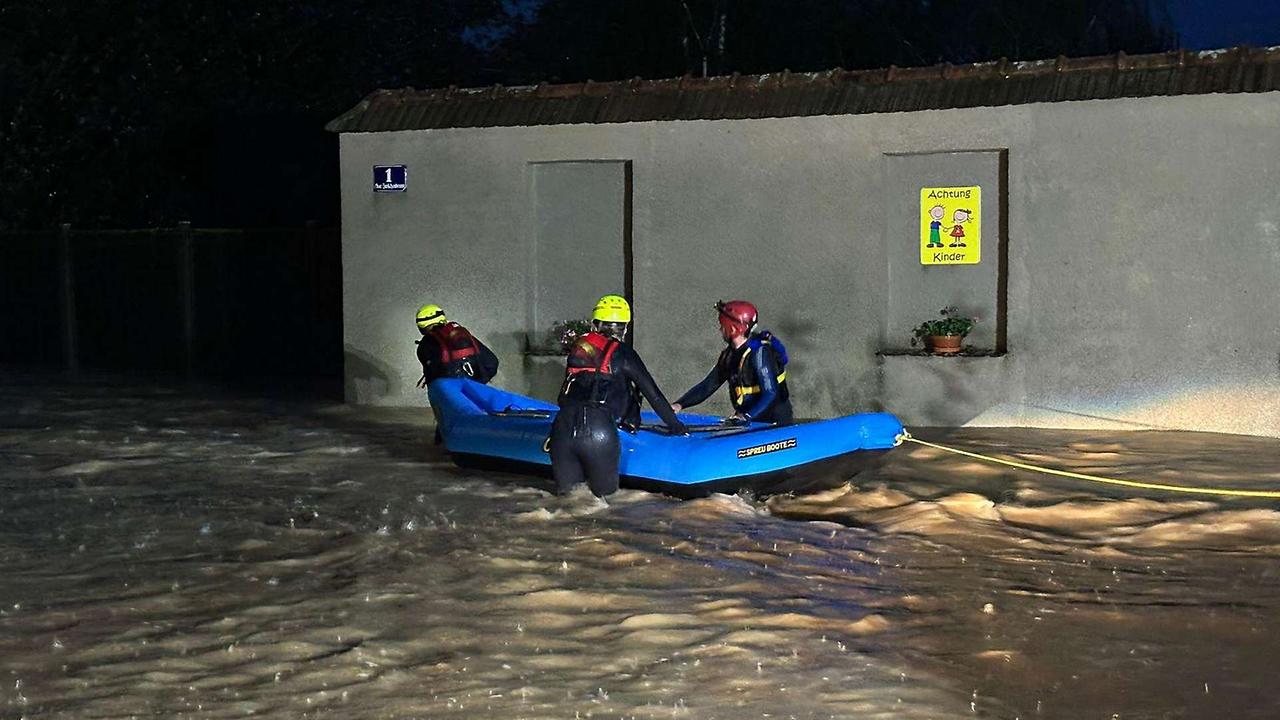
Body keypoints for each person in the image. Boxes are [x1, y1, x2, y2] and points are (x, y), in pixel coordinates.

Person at [549, 294, 686, 497]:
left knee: (570, 501)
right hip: (599, 432)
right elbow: (653, 395)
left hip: (562, 429)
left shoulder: (579, 350)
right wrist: (676, 427)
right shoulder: (623, 353)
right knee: (605, 505)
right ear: (625, 328)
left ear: (595, 325)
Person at [671, 300, 793, 425]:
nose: (720, 330)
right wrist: (680, 404)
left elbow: (770, 392)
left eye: (722, 326)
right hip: (749, 418)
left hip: (773, 421)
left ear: (733, 329)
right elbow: (708, 386)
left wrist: (746, 417)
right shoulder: (728, 356)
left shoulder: (759, 353)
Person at [413, 303, 500, 388]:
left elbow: (432, 376)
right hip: (476, 384)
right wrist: (481, 382)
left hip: (452, 390)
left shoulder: (425, 343)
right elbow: (492, 362)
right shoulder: (460, 333)